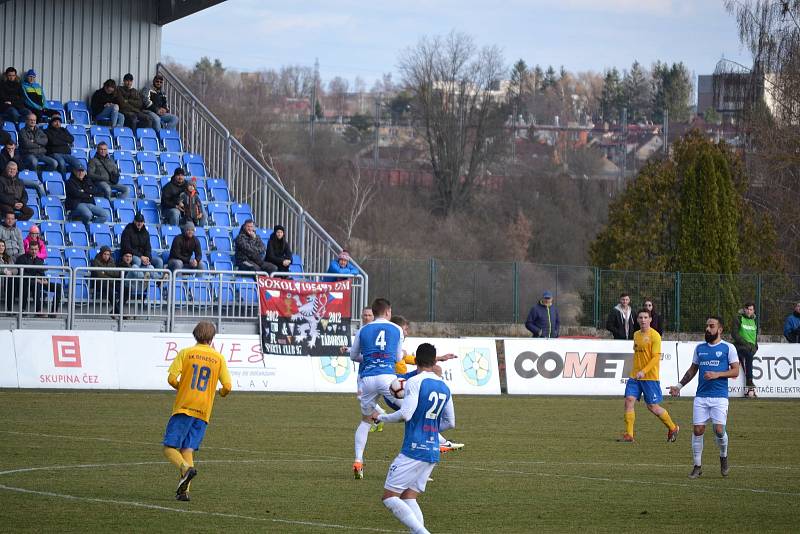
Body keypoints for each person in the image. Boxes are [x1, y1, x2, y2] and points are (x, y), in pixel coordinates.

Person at [373, 342, 455, 534]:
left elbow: (405, 414)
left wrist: (382, 417)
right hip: (432, 450)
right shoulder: (444, 386)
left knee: (389, 497)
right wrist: (430, 429)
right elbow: (450, 422)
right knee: (409, 498)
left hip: (413, 449)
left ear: (415, 361)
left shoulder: (414, 382)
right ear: (434, 361)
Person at [162, 321, 232, 502]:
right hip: (203, 411)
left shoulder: (186, 353)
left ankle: (185, 469)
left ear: (195, 335)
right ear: (212, 337)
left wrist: (181, 387)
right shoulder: (218, 358)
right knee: (188, 449)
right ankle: (183, 492)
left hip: (184, 406)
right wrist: (221, 394)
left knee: (169, 448)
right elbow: (227, 386)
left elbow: (171, 378)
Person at [670, 316, 740, 479]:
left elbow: (735, 371)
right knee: (698, 430)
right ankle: (697, 466)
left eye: (711, 326)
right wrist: (679, 386)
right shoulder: (700, 348)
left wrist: (717, 374)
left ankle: (723, 457)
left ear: (720, 329)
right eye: (706, 326)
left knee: (719, 430)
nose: (708, 329)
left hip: (720, 397)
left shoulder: (728, 348)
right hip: (701, 397)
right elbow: (693, 370)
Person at [349, 298, 404, 479]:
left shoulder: (363, 330)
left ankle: (358, 460)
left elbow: (353, 356)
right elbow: (397, 358)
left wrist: (370, 359)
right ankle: (418, 459)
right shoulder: (396, 329)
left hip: (368, 378)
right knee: (410, 412)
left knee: (365, 421)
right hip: (388, 377)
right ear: (388, 312)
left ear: (373, 312)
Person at [389, 315, 462, 451]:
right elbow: (410, 359)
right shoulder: (390, 344)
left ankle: (436, 437)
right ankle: (440, 440)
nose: (407, 332)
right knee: (415, 414)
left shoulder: (397, 344)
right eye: (405, 329)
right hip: (397, 380)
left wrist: (439, 358)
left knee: (436, 369)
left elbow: (413, 359)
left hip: (403, 378)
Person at [619, 308, 679, 443]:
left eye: (646, 317)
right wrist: (636, 372)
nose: (643, 320)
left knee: (653, 407)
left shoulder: (655, 336)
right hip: (635, 377)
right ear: (637, 320)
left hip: (650, 378)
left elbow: (655, 358)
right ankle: (629, 434)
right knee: (629, 400)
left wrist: (644, 371)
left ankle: (673, 427)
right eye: (640, 317)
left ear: (650, 319)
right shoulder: (635, 335)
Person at [14, 238, 62, 314]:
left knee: (58, 287)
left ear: (38, 250)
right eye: (32, 249)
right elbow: (20, 272)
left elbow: (41, 273)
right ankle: (38, 310)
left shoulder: (39, 260)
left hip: (37, 281)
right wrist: (36, 279)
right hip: (25, 281)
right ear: (28, 249)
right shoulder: (21, 258)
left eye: (36, 249)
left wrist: (45, 280)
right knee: (37, 284)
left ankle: (54, 311)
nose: (34, 251)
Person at [732, 302, 759, 398]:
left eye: (751, 309)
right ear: (744, 309)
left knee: (749, 354)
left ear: (753, 311)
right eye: (747, 309)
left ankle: (749, 388)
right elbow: (735, 335)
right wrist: (747, 345)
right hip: (739, 346)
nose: (749, 311)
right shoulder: (738, 318)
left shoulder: (754, 321)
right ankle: (749, 382)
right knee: (748, 355)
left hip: (750, 347)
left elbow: (754, 336)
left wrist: (755, 346)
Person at [18, 113, 57, 178]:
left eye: (34, 120)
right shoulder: (22, 131)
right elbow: (27, 144)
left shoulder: (39, 130)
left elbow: (45, 140)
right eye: (31, 120)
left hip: (40, 154)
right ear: (26, 121)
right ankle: (35, 178)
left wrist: (35, 141)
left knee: (54, 163)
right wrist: (39, 145)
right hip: (28, 154)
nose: (33, 121)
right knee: (34, 162)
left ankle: (42, 176)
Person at [91, 245, 120, 314]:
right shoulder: (95, 261)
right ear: (101, 254)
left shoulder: (111, 261)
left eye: (108, 254)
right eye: (105, 254)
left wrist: (105, 272)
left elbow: (116, 274)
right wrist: (110, 275)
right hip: (99, 284)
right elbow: (99, 275)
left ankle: (115, 311)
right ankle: (119, 311)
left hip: (111, 283)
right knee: (108, 288)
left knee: (126, 289)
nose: (106, 256)